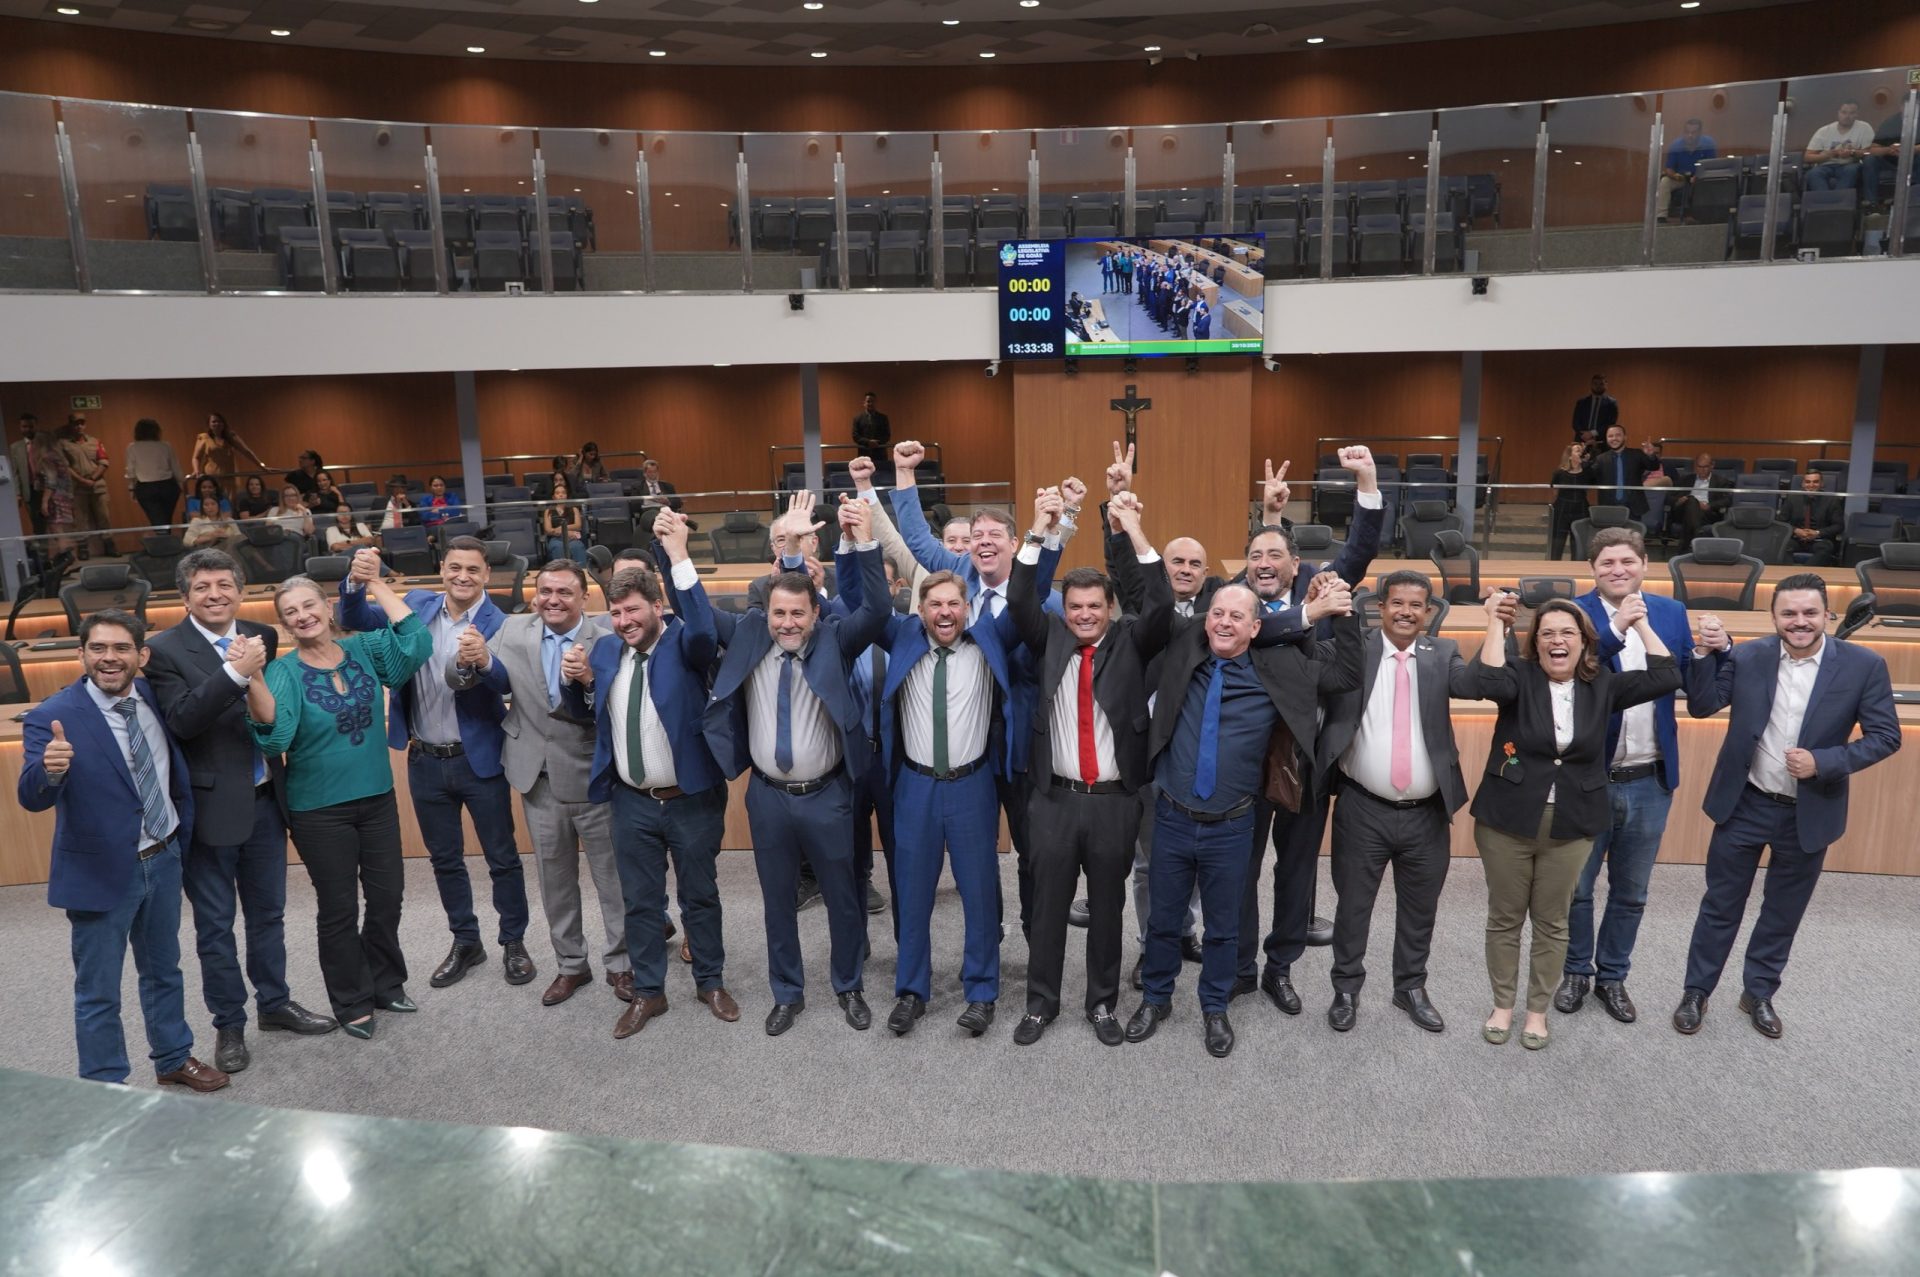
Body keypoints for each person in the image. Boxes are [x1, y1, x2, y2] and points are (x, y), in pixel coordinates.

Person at [1126, 578, 1363, 1059]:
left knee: (1224, 925)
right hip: (1171, 818)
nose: (1224, 623)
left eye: (1237, 617)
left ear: (1258, 628)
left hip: (1233, 826)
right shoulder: (1184, 652)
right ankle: (1156, 998)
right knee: (1165, 919)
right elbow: (1149, 598)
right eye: (1217, 613)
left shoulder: (1278, 667)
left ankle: (1215, 1006)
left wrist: (1342, 613)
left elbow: (1346, 676)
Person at [1674, 578, 1900, 1039]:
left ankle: (1758, 993)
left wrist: (1825, 761)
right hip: (1744, 803)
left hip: (1810, 810)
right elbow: (1702, 705)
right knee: (1720, 905)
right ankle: (1696, 991)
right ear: (1774, 617)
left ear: (1826, 616)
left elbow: (1886, 736)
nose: (1800, 622)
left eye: (1810, 613)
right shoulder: (1749, 656)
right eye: (1789, 614)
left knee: (1783, 910)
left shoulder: (1864, 665)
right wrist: (1704, 653)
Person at [17, 609, 229, 1092]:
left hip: (164, 854)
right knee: (98, 991)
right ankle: (103, 1086)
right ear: (81, 654)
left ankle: (173, 1056)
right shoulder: (54, 716)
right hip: (100, 872)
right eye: (98, 648)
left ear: (141, 655)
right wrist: (50, 770)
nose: (109, 659)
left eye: (120, 648)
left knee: (163, 969)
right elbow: (31, 797)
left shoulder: (155, 696)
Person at [701, 498, 891, 1035]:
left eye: (798, 614)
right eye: (779, 613)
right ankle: (788, 991)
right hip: (767, 797)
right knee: (778, 900)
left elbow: (876, 611)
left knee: (844, 898)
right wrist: (786, 547)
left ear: (815, 615)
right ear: (767, 613)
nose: (788, 622)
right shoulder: (749, 636)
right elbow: (696, 610)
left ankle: (848, 985)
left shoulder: (834, 639)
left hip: (829, 795)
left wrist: (865, 537)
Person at [144, 549, 336, 1073]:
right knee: (215, 926)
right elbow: (182, 720)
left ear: (239, 589)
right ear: (185, 596)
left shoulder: (261, 634)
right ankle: (229, 1023)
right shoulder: (162, 650)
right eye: (203, 586)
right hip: (209, 810)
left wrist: (247, 668)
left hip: (267, 801)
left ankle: (274, 1004)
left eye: (224, 584)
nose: (215, 594)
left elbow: (270, 705)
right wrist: (233, 672)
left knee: (269, 915)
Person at [1460, 592, 1678, 1051]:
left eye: (1567, 633)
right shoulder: (1519, 677)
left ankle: (1536, 1011)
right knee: (1504, 918)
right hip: (1506, 821)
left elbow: (1667, 674)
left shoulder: (1604, 685)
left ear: (1584, 643)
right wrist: (1495, 624)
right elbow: (1487, 679)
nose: (1557, 641)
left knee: (1552, 921)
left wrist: (1638, 623)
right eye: (1547, 634)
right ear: (1536, 643)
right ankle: (1503, 1004)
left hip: (1572, 825)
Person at [1007, 488, 1171, 1048]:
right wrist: (1036, 528)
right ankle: (1040, 1005)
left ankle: (1101, 1004)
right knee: (1048, 906)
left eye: (1093, 607)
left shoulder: (1133, 641)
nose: (1083, 615)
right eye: (1074, 607)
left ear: (1109, 610)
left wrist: (1135, 533)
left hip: (1114, 802)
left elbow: (1161, 603)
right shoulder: (1047, 637)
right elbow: (1020, 595)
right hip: (1052, 800)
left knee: (1107, 907)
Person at [889, 439, 1072, 942]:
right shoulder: (955, 585)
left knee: (1032, 848)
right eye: (976, 535)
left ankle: (1036, 932)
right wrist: (905, 474)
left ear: (1015, 545)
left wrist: (1050, 525)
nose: (984, 541)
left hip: (1018, 746)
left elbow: (1035, 591)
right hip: (962, 747)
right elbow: (913, 535)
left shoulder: (1045, 600)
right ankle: (986, 931)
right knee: (976, 850)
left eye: (995, 534)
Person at [564, 515, 739, 1038]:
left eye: (633, 609)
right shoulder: (604, 650)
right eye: (615, 612)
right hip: (631, 802)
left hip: (689, 798)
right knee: (640, 902)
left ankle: (710, 981)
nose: (623, 621)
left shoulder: (686, 643)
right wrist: (579, 685)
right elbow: (587, 712)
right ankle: (649, 992)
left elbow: (707, 628)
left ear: (657, 607)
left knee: (699, 896)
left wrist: (676, 553)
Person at [246, 556, 432, 1039]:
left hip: (377, 799)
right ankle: (351, 999)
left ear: (328, 608)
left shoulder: (366, 648)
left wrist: (374, 584)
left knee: (388, 897)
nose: (302, 615)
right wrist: (253, 679)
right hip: (318, 811)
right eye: (291, 612)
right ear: (283, 623)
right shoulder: (284, 672)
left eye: (309, 604)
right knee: (339, 908)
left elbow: (416, 642)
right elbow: (276, 739)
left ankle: (386, 982)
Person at [341, 536, 533, 994]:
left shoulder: (501, 621)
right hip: (425, 759)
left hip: (479, 760)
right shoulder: (416, 605)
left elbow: (510, 686)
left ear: (487, 574)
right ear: (442, 569)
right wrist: (356, 580)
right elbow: (354, 618)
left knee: (502, 858)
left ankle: (514, 942)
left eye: (472, 569)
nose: (462, 577)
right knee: (445, 860)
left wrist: (486, 663)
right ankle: (466, 941)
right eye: (454, 568)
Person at [1235, 447, 1383, 1018]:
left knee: (1295, 875)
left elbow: (1361, 551)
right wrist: (1270, 522)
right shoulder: (1235, 603)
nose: (1264, 563)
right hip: (1243, 767)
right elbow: (1261, 626)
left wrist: (1365, 481)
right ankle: (1242, 966)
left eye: (1276, 555)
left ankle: (1281, 967)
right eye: (1255, 556)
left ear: (1297, 566)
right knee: (1239, 874)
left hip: (1304, 764)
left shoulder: (1316, 591)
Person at [1320, 571, 1473, 1034]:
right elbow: (1305, 656)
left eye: (1416, 605)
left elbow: (1475, 684)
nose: (1406, 612)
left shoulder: (1442, 653)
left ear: (1428, 613)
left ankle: (1410, 987)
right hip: (1362, 808)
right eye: (1397, 603)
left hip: (1426, 813)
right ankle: (1346, 989)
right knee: (1353, 907)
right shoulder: (1355, 649)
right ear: (1381, 607)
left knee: (1420, 907)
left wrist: (1499, 629)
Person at [1555, 529, 1696, 1025]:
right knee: (1577, 887)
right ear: (1591, 569)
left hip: (1649, 776)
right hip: (1590, 775)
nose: (1618, 569)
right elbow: (1576, 675)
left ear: (1644, 564)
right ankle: (1576, 970)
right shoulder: (1572, 615)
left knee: (1631, 891)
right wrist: (1617, 626)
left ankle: (1612, 977)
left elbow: (1679, 676)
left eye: (1627, 561)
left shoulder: (1673, 613)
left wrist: (1712, 651)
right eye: (1607, 562)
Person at [491, 559, 632, 1008]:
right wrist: (467, 662)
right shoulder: (513, 631)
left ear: (585, 598)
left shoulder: (609, 634)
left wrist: (589, 683)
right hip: (538, 778)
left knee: (613, 879)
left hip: (593, 775)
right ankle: (571, 965)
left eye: (564, 593)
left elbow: (623, 702)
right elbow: (471, 674)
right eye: (545, 591)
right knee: (555, 880)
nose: (553, 600)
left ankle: (622, 963)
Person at [1583, 424, 1665, 522]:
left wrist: (1651, 455)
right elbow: (1589, 478)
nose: (1614, 438)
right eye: (1610, 436)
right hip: (1608, 508)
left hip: (1633, 508)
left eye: (1618, 435)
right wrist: (1583, 463)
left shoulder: (1637, 454)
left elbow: (1654, 466)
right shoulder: (1601, 459)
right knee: (1610, 537)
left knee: (1631, 537)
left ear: (1625, 437)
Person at [62, 414, 114, 557]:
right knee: (80, 520)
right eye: (75, 424)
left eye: (82, 423)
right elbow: (65, 466)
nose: (79, 426)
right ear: (70, 425)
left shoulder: (95, 442)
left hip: (97, 486)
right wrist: (81, 480)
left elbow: (103, 462)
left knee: (104, 517)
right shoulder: (64, 444)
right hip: (77, 488)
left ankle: (110, 546)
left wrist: (92, 478)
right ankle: (83, 549)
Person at [1803, 101, 1876, 194]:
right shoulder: (1824, 131)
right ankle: (1826, 203)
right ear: (1838, 113)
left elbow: (1870, 152)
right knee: (1813, 174)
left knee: (1851, 170)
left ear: (1857, 114)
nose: (1847, 116)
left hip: (1850, 164)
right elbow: (1807, 157)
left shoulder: (1864, 127)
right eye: (1844, 112)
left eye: (1851, 113)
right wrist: (1827, 155)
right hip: (1826, 165)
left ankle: (1839, 202)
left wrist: (1852, 153)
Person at [1663, 453, 1734, 549]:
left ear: (1712, 466)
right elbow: (1668, 497)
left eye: (1705, 467)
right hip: (1683, 511)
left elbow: (1727, 500)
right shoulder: (1685, 479)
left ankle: (1685, 544)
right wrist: (1678, 500)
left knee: (1692, 504)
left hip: (1705, 513)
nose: (1702, 470)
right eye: (1699, 467)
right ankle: (1696, 534)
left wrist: (1709, 505)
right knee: (1691, 500)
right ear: (1695, 466)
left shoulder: (1721, 481)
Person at [124, 418, 184, 530]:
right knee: (166, 519)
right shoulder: (165, 446)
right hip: (168, 485)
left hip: (146, 487)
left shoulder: (132, 447)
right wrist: (181, 482)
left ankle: (162, 543)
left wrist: (131, 488)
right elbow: (175, 467)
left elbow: (131, 472)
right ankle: (166, 542)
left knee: (157, 521)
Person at [1778, 470, 1843, 565]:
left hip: (1820, 540)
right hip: (1796, 539)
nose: (1811, 485)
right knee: (1782, 547)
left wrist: (1817, 533)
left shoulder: (1832, 500)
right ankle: (1790, 574)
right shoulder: (1792, 498)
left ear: (1821, 484)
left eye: (1815, 482)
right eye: (1808, 482)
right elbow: (1780, 522)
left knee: (1825, 549)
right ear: (1803, 484)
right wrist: (1796, 530)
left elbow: (1839, 526)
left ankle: (1804, 574)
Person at [1657, 118, 1718, 221]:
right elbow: (1669, 169)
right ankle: (1661, 216)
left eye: (1693, 133)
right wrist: (1676, 176)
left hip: (1701, 179)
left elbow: (1711, 166)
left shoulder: (1709, 144)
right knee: (1665, 181)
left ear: (1700, 133)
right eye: (1687, 132)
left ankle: (1707, 215)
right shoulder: (1676, 145)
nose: (1690, 135)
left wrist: (1698, 177)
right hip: (1681, 178)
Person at [192, 412, 265, 488]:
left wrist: (261, 466)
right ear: (209, 424)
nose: (217, 424)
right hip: (211, 478)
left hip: (228, 476)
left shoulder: (230, 436)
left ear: (224, 423)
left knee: (229, 498)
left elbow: (246, 452)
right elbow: (196, 457)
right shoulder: (204, 438)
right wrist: (196, 470)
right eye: (214, 421)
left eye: (219, 421)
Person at [1547, 443, 1592, 561]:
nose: (1581, 453)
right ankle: (1553, 568)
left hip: (1581, 508)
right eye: (1577, 450)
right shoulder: (1559, 473)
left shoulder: (1587, 471)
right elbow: (1555, 490)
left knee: (1578, 542)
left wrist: (1587, 462)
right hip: (1562, 507)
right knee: (1557, 541)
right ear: (1570, 455)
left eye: (1581, 451)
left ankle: (1576, 570)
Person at [11, 411, 45, 538]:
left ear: (36, 426)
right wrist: (18, 493)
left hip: (47, 488)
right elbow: (15, 472)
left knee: (53, 521)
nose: (28, 429)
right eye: (24, 426)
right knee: (36, 522)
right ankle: (42, 554)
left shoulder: (45, 443)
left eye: (31, 426)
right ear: (20, 428)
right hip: (29, 490)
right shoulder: (15, 447)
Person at [182, 477, 240, 551]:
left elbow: (240, 538)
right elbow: (186, 541)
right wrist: (211, 537)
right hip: (207, 553)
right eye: (206, 505)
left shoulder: (229, 520)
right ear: (202, 507)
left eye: (213, 504)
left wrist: (227, 536)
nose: (210, 507)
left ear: (218, 505)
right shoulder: (197, 521)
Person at [542, 478, 589, 565]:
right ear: (553, 497)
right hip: (556, 539)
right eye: (558, 493)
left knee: (578, 547)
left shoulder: (574, 509)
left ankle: (581, 572)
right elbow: (548, 530)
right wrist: (565, 532)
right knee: (558, 547)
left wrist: (561, 528)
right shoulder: (548, 511)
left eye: (563, 493)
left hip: (572, 538)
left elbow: (578, 526)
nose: (561, 495)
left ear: (567, 495)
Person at [1571, 375, 1618, 444]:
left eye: (1601, 384)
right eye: (1595, 384)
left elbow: (1610, 423)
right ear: (1591, 385)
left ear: (1606, 385)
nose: (1598, 386)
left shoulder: (1611, 403)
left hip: (1601, 441)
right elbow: (1575, 422)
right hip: (1581, 440)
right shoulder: (1581, 402)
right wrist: (1584, 435)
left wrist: (1592, 433)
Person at [852, 392, 892, 468]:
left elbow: (887, 435)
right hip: (863, 454)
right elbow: (855, 436)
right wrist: (868, 442)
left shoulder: (883, 418)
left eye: (872, 401)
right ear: (864, 403)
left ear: (876, 403)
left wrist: (877, 442)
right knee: (864, 477)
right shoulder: (857, 418)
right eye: (868, 401)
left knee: (882, 477)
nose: (870, 403)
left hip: (880, 454)